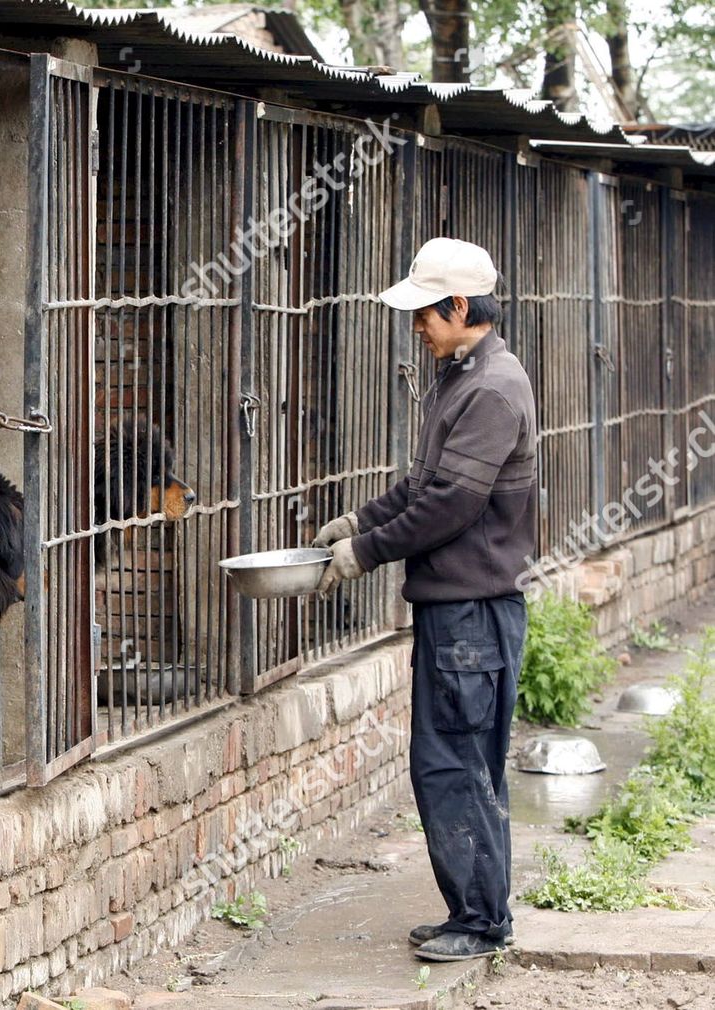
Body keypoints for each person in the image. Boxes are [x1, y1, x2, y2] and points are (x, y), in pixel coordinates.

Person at [313, 236, 538, 963]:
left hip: (471, 612)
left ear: (461, 306)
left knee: (455, 766)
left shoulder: (492, 388)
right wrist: (360, 521)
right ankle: (476, 910)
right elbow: (422, 488)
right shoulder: (462, 378)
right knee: (456, 762)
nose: (417, 326)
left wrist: (364, 554)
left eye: (425, 314)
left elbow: (450, 507)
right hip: (459, 610)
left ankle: (480, 921)